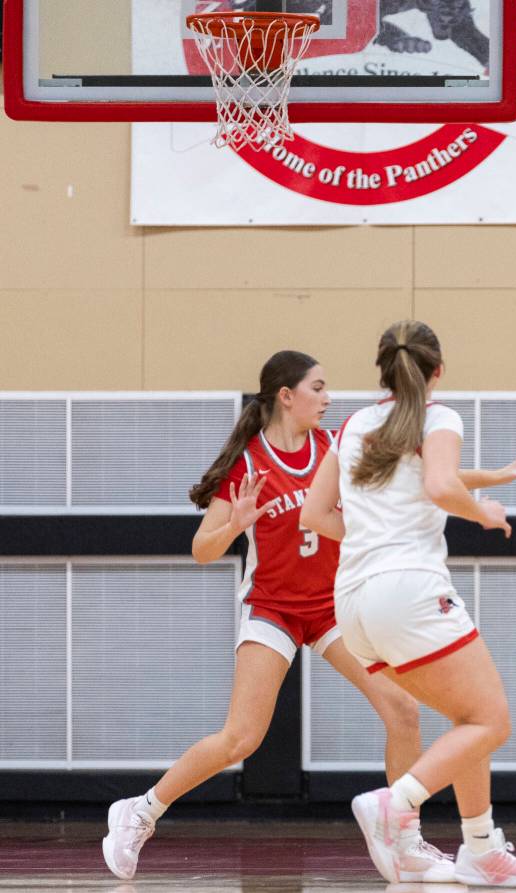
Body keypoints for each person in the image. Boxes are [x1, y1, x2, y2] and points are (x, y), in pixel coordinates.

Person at [101, 351, 448, 882]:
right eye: (319, 387)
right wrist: (233, 523)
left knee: (403, 708)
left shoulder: (333, 447)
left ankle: (405, 839)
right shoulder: (248, 465)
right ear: (286, 396)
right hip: (274, 608)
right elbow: (201, 550)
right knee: (241, 738)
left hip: (331, 609)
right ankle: (140, 811)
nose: (328, 398)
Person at [301, 320, 516, 887]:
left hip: (354, 603)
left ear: (383, 369)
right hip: (408, 590)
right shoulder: (440, 416)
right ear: (437, 370)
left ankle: (481, 848)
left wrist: (493, 475)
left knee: (469, 719)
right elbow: (438, 485)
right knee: (492, 719)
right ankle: (398, 803)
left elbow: (315, 516)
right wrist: (483, 510)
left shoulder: (355, 425)